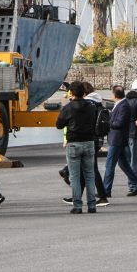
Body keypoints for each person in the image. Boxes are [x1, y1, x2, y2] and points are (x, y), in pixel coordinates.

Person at [55, 82, 99, 214]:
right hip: (89, 142)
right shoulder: (91, 107)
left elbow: (59, 124)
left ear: (72, 93)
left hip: (74, 143)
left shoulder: (68, 107)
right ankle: (92, 205)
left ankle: (77, 205)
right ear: (84, 93)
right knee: (90, 175)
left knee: (74, 176)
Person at [103, 86, 137, 197]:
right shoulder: (120, 104)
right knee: (124, 165)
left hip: (117, 140)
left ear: (114, 95)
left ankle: (106, 190)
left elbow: (120, 123)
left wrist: (108, 123)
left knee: (109, 165)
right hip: (118, 139)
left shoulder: (124, 105)